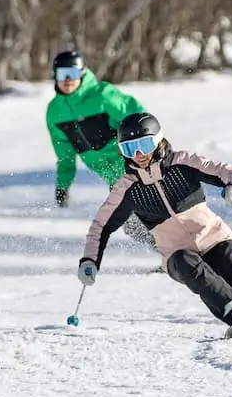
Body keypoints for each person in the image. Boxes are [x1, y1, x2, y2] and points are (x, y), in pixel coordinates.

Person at [75, 112, 232, 337]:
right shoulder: (127, 188)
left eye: (144, 144)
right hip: (176, 253)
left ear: (158, 140)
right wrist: (89, 261)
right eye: (131, 149)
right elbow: (100, 227)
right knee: (190, 266)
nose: (140, 155)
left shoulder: (182, 162)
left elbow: (224, 170)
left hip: (214, 238)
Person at [45, 49, 153, 249]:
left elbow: (138, 117)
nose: (68, 80)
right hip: (114, 178)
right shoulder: (54, 112)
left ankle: (187, 253)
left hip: (134, 167)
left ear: (83, 73)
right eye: (62, 74)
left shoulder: (102, 95)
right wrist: (63, 185)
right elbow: (64, 154)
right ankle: (173, 256)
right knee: (132, 224)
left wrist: (151, 151)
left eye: (73, 74)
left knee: (151, 214)